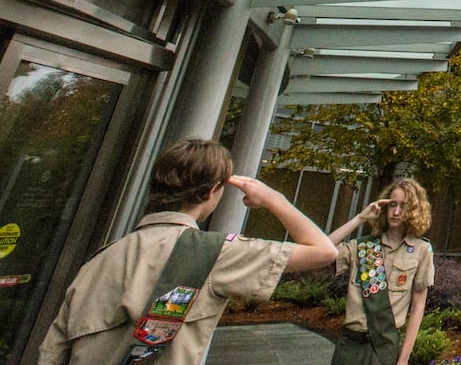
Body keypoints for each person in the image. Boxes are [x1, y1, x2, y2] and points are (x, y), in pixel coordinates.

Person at [38, 138, 336, 365]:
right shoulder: (216, 252)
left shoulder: (101, 257)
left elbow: (53, 350)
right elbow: (323, 251)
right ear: (210, 192)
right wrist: (274, 198)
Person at [327, 177, 435, 365]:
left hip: (384, 348)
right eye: (392, 205)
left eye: (404, 206)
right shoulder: (362, 247)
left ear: (414, 210)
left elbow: (418, 308)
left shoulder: (421, 250)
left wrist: (403, 360)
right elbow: (324, 250)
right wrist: (360, 218)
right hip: (350, 345)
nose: (396, 212)